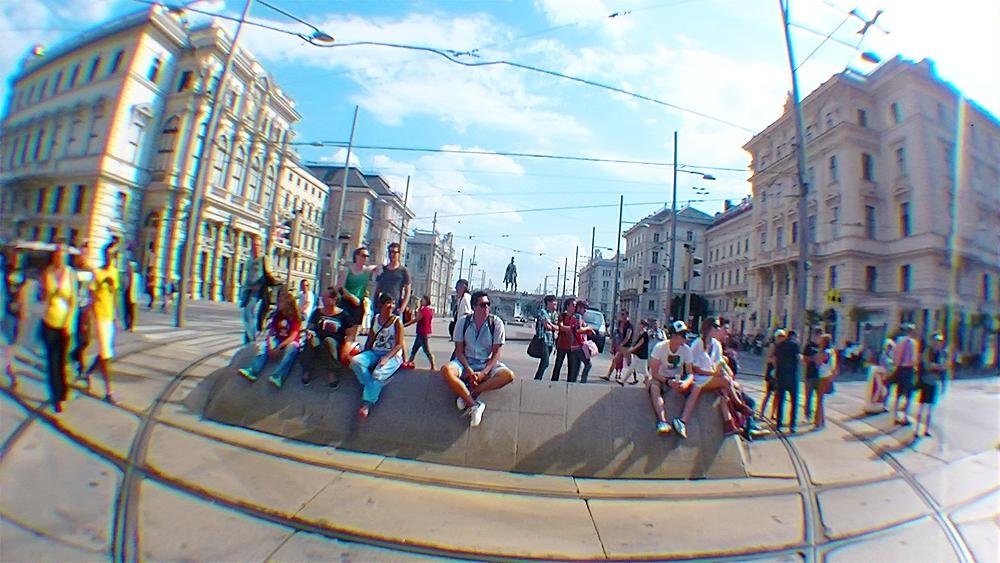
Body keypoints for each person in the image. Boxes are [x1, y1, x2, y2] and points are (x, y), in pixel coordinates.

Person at [441, 290, 515, 427]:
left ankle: (469, 393)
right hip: (465, 361)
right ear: (474, 307)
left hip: (486, 363)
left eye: (488, 304)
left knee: (508, 376)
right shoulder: (463, 322)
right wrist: (469, 370)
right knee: (446, 370)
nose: (486, 307)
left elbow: (496, 353)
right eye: (482, 305)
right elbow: (459, 351)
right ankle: (474, 405)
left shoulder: (496, 323)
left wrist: (483, 373)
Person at [674, 318, 742, 438]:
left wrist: (718, 372)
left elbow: (717, 364)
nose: (718, 329)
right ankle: (738, 404)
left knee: (723, 391)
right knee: (725, 382)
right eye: (716, 326)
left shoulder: (716, 345)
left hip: (709, 378)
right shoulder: (697, 344)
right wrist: (712, 374)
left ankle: (729, 424)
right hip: (699, 378)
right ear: (709, 328)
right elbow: (692, 367)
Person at [352, 292, 406, 419]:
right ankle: (371, 386)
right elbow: (371, 339)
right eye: (388, 303)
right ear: (381, 305)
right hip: (376, 351)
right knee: (356, 361)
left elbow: (399, 345)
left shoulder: (397, 322)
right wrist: (364, 354)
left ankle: (367, 403)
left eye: (393, 303)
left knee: (378, 373)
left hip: (393, 355)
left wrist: (387, 357)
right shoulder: (375, 319)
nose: (391, 306)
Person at [238, 287, 301, 387]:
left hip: (289, 342)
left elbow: (293, 336)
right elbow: (271, 333)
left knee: (292, 349)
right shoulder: (277, 315)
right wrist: (270, 346)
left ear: (287, 304)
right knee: (263, 346)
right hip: (278, 339)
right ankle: (253, 371)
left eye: (280, 302)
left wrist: (279, 347)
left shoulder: (295, 318)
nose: (277, 303)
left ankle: (278, 376)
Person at [40, 244, 77, 413]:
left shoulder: (70, 274)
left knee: (63, 361)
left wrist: (69, 323)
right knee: (52, 362)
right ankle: (57, 397)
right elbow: (43, 297)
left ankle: (64, 392)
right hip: (49, 321)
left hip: (65, 324)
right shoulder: (47, 273)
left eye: (62, 255)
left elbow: (73, 301)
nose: (59, 258)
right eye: (57, 255)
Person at [298, 286, 350, 388]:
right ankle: (307, 370)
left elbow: (350, 333)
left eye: (326, 297)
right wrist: (309, 332)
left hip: (334, 342)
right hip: (318, 339)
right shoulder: (317, 312)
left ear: (334, 299)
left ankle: (332, 372)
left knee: (329, 341)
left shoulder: (343, 315)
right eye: (323, 297)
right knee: (311, 340)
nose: (323, 299)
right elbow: (310, 327)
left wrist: (347, 345)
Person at [647, 321, 694, 434]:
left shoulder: (686, 350)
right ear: (673, 335)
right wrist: (668, 382)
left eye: (685, 334)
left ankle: (681, 421)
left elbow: (690, 373)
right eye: (682, 335)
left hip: (677, 379)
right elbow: (654, 372)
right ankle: (662, 421)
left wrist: (685, 383)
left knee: (695, 388)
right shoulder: (660, 347)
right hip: (661, 378)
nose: (685, 337)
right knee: (654, 387)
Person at [89, 243, 120, 404]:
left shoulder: (114, 272)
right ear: (103, 256)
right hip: (100, 316)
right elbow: (92, 295)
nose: (110, 259)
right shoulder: (97, 273)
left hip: (110, 317)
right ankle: (109, 391)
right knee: (106, 354)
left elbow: (115, 295)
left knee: (105, 352)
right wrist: (91, 317)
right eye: (107, 255)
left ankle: (88, 372)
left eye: (112, 256)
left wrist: (117, 316)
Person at [337, 247, 379, 363]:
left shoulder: (366, 271)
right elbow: (340, 287)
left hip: (358, 306)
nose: (366, 258)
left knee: (353, 333)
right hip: (346, 303)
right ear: (356, 256)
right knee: (343, 331)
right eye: (363, 256)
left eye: (367, 256)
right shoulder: (348, 270)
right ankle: (341, 354)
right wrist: (351, 296)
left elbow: (378, 268)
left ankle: (347, 357)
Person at [239, 238, 273, 343]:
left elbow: (268, 273)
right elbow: (246, 274)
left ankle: (251, 338)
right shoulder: (249, 260)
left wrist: (261, 284)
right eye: (254, 245)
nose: (256, 247)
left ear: (261, 247)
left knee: (249, 312)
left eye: (258, 245)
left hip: (257, 289)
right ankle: (248, 336)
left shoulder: (264, 259)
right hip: (247, 289)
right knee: (247, 313)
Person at [916, 333, 946, 437]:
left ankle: (926, 430)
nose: (938, 343)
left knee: (930, 408)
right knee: (922, 406)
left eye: (939, 341)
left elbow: (944, 368)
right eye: (936, 340)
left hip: (934, 382)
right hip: (925, 381)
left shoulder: (941, 353)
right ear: (932, 341)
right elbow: (927, 366)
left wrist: (943, 384)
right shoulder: (928, 351)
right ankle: (917, 429)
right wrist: (938, 366)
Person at [70, 250, 94, 382]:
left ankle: (73, 357)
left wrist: (90, 307)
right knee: (79, 338)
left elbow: (92, 291)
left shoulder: (90, 271)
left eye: (85, 255)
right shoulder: (72, 271)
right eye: (82, 255)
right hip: (75, 309)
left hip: (85, 308)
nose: (83, 257)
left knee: (86, 340)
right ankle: (81, 367)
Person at [772, 329, 801, 433]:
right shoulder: (795, 345)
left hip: (781, 376)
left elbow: (775, 360)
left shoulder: (779, 345)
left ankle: (779, 424)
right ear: (794, 337)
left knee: (781, 401)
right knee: (794, 402)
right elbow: (797, 359)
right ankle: (792, 425)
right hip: (792, 376)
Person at [891, 323, 920, 426]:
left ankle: (896, 416)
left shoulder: (900, 341)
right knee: (908, 394)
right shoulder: (911, 342)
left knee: (899, 393)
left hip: (902, 369)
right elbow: (913, 358)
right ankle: (904, 416)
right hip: (907, 369)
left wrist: (897, 366)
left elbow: (896, 356)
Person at [373, 242, 410, 316]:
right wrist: (375, 305)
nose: (392, 254)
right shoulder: (383, 270)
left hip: (395, 308)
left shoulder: (403, 271)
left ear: (399, 254)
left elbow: (407, 292)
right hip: (381, 308)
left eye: (394, 252)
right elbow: (377, 289)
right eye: (390, 252)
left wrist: (402, 308)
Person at [403, 295, 435, 370]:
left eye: (422, 301)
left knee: (426, 350)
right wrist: (420, 307)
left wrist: (406, 325)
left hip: (423, 332)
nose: (420, 302)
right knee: (414, 348)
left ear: (426, 301)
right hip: (422, 332)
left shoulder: (424, 310)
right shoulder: (429, 310)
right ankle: (409, 362)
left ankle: (433, 366)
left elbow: (416, 319)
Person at [863, 339, 895, 413]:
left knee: (887, 391)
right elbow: (882, 365)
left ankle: (884, 405)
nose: (889, 349)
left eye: (890, 347)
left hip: (889, 376)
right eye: (888, 347)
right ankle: (880, 405)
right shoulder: (883, 355)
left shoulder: (890, 355)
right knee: (882, 391)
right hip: (882, 376)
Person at [813, 333, 838, 429]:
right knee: (821, 400)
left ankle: (818, 422)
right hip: (828, 375)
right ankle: (821, 421)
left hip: (823, 376)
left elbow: (818, 363)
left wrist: (817, 355)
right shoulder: (832, 351)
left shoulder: (825, 352)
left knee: (819, 400)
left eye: (821, 340)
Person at [602, 310, 634, 382]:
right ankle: (608, 376)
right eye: (621, 314)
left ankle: (635, 378)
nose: (621, 316)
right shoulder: (621, 324)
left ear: (627, 315)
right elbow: (617, 334)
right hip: (622, 347)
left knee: (630, 364)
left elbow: (628, 336)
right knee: (615, 360)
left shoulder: (629, 325)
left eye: (623, 314)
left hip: (627, 347)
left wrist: (622, 344)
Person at [618, 318, 651, 386]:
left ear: (643, 325)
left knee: (645, 372)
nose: (639, 326)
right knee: (631, 368)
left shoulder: (645, 334)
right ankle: (622, 381)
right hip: (638, 354)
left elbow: (640, 344)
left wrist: (631, 350)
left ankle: (649, 384)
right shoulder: (641, 333)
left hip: (642, 355)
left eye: (640, 324)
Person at [532, 294, 558, 380]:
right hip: (543, 339)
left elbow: (558, 327)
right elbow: (547, 326)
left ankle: (537, 379)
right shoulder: (543, 312)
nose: (555, 306)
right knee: (545, 362)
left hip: (551, 341)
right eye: (554, 304)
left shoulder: (555, 314)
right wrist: (553, 326)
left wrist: (552, 325)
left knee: (544, 362)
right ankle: (537, 379)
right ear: (548, 303)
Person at [551, 298, 576, 381]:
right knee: (558, 365)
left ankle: (570, 384)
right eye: (573, 305)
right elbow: (561, 327)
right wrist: (572, 328)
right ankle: (554, 382)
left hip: (572, 346)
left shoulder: (575, 317)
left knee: (571, 367)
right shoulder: (562, 316)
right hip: (561, 344)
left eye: (575, 305)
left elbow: (578, 329)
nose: (574, 307)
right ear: (568, 306)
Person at [801, 328, 823, 420]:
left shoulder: (823, 346)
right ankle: (807, 415)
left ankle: (818, 417)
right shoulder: (809, 345)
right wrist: (814, 358)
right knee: (808, 397)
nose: (818, 337)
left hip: (821, 376)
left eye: (820, 335)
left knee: (820, 398)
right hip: (810, 374)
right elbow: (804, 359)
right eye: (817, 335)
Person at [574, 301, 597, 382]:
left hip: (578, 345)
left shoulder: (579, 317)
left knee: (577, 366)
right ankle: (582, 382)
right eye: (584, 308)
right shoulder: (578, 316)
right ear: (579, 307)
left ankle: (573, 383)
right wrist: (588, 328)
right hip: (578, 345)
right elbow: (578, 329)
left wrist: (588, 331)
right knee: (588, 364)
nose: (585, 310)